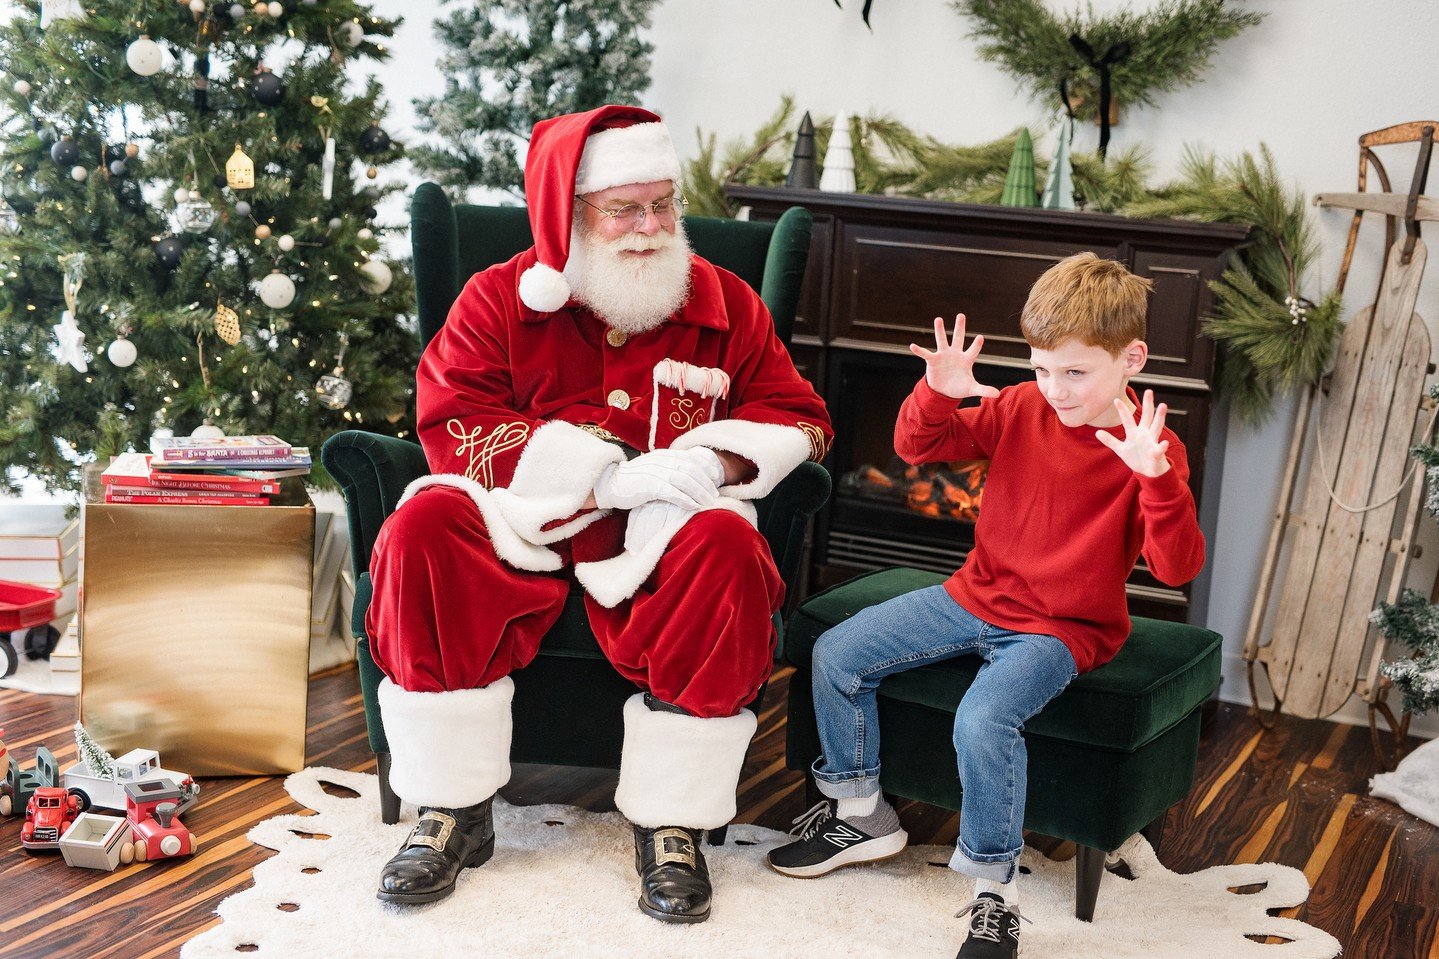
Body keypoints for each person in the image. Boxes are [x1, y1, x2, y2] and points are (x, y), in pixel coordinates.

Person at [364, 104, 832, 923]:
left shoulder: (723, 301)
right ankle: (450, 807)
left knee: (727, 543)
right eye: (624, 209)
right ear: (570, 214)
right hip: (523, 523)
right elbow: (453, 418)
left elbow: (800, 417)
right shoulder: (498, 297)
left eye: (662, 205)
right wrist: (598, 476)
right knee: (421, 528)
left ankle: (674, 819)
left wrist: (713, 461)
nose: (650, 227)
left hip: (663, 531)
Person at [766, 253, 1204, 958]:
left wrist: (1156, 480)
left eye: (1074, 372)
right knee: (836, 652)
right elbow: (915, 445)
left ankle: (994, 894)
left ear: (1131, 358)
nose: (1055, 390)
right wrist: (937, 393)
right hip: (972, 596)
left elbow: (1176, 566)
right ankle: (862, 814)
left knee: (982, 718)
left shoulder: (1153, 449)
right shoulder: (1023, 406)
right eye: (1041, 369)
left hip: (1061, 629)